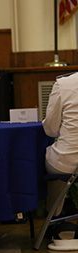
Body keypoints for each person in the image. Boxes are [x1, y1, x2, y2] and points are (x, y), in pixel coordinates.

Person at [43, 72, 78, 216]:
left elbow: (50, 129)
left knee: (57, 163)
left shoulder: (64, 84)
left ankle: (54, 215)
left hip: (66, 160)